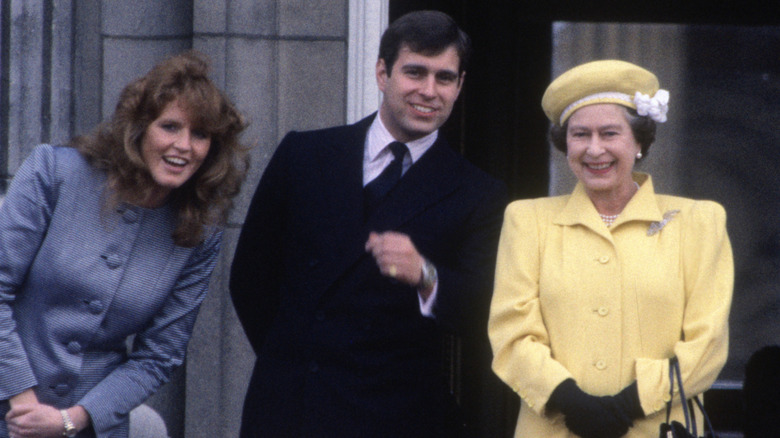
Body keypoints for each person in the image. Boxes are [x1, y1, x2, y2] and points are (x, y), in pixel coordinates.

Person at [230, 10, 507, 438]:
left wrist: (426, 275)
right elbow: (250, 278)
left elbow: (487, 313)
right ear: (382, 73)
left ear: (460, 86)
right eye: (415, 72)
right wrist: (297, 361)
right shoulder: (304, 156)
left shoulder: (479, 194)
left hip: (397, 415)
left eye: (445, 78)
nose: (429, 91)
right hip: (291, 408)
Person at [0, 50, 248, 438]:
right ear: (139, 127)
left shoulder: (200, 233)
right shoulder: (54, 172)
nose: (184, 145)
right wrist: (22, 400)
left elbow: (160, 355)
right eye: (170, 127)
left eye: (200, 134)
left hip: (93, 424)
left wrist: (72, 420)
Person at [488, 60, 734, 437]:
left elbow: (707, 344)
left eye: (609, 133)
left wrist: (629, 405)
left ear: (639, 141)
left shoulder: (699, 222)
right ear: (564, 144)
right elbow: (511, 335)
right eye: (580, 134)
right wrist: (570, 402)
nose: (594, 149)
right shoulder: (527, 221)